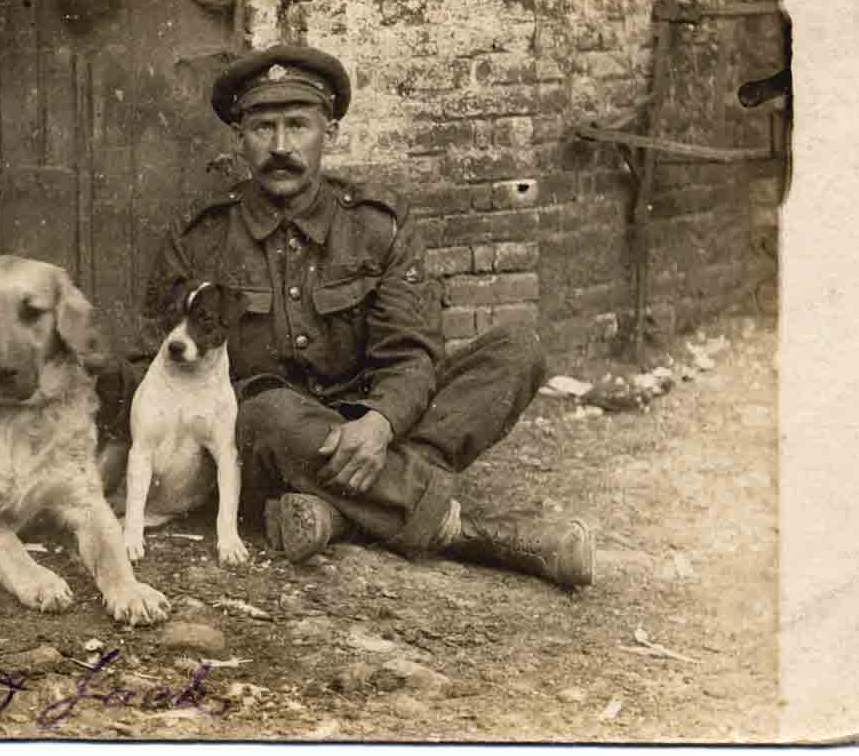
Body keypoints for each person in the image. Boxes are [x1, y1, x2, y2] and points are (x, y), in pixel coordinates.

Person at [133, 44, 594, 589]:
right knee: (268, 414)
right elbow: (154, 358)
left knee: (519, 348)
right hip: (270, 442)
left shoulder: (378, 222)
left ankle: (340, 512)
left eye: (298, 125)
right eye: (263, 127)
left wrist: (380, 423)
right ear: (240, 136)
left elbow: (412, 350)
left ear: (329, 130)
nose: (281, 146)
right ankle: (470, 532)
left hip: (370, 421)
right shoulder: (201, 237)